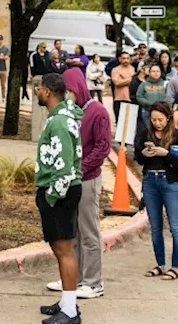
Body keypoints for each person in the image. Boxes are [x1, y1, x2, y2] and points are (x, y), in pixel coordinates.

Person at [48, 67, 108, 300]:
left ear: (79, 88)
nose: (67, 95)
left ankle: (94, 282)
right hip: (70, 180)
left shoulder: (98, 112)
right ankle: (73, 278)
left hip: (87, 180)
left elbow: (102, 148)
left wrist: (79, 168)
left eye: (70, 90)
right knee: (72, 232)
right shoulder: (69, 112)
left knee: (89, 232)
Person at [34, 73, 83, 324]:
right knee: (59, 248)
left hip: (60, 191)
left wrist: (51, 197)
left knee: (64, 250)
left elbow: (64, 168)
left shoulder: (60, 122)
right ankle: (67, 301)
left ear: (49, 92)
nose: (36, 91)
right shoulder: (59, 117)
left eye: (39, 87)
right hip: (59, 190)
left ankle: (71, 312)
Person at [135, 101, 178, 281]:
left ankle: (177, 266)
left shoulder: (177, 135)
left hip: (171, 181)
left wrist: (165, 154)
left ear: (168, 118)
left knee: (175, 226)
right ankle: (160, 264)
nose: (157, 123)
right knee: (155, 227)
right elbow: (138, 157)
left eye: (160, 119)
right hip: (150, 180)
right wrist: (145, 153)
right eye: (154, 120)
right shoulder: (146, 133)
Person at [111, 51, 135, 122]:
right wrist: (131, 79)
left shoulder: (132, 69)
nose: (126, 60)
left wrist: (123, 79)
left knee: (130, 124)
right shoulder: (115, 70)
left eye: (127, 58)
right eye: (124, 58)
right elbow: (117, 82)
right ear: (119, 59)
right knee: (120, 123)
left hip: (131, 99)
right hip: (119, 99)